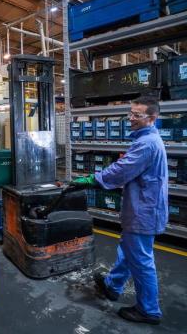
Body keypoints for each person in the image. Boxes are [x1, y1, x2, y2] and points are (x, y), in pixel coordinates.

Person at [72, 96, 168, 325]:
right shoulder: (146, 139)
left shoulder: (147, 143)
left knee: (141, 260)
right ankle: (113, 286)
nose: (130, 119)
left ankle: (149, 310)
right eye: (130, 113)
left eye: (137, 115)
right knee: (129, 250)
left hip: (144, 211)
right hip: (142, 206)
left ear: (152, 118)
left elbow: (123, 169)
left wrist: (93, 179)